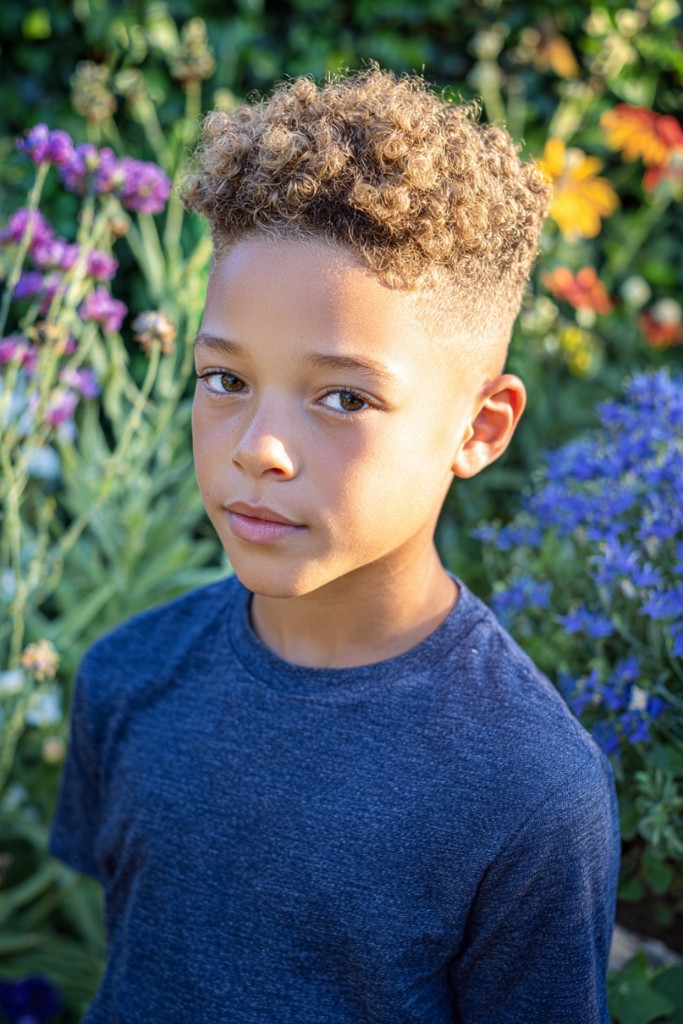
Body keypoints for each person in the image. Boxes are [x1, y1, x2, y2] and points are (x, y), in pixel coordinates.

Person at [50, 67, 620, 1023]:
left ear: (479, 428)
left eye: (343, 398)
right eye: (224, 378)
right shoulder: (126, 679)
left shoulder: (531, 789)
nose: (258, 447)